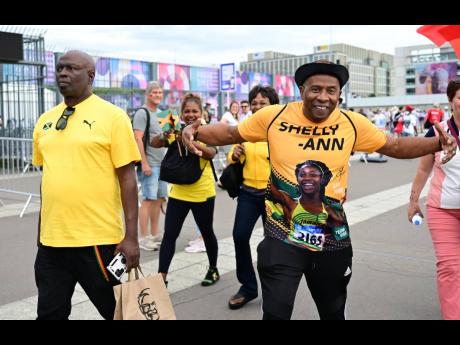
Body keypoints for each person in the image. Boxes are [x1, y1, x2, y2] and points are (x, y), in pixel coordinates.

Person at [182, 60, 457, 320]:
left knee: (333, 313)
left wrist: (437, 143)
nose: (323, 97)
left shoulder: (351, 123)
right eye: (315, 89)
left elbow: (394, 146)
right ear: (302, 90)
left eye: (331, 91)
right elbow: (230, 134)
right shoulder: (274, 116)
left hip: (332, 240)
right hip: (281, 238)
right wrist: (195, 130)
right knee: (275, 313)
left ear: (339, 94)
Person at [32, 50, 141, 320]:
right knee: (49, 314)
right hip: (52, 245)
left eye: (71, 68)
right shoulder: (44, 120)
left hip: (100, 242)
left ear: (90, 75)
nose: (62, 73)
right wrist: (41, 232)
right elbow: (49, 180)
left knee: (120, 314)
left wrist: (131, 237)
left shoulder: (113, 117)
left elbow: (128, 179)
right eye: (59, 68)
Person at [152, 93, 220, 287]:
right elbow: (154, 143)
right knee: (170, 235)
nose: (191, 114)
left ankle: (213, 269)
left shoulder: (208, 130)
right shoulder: (176, 129)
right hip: (179, 192)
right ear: (181, 114)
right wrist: (164, 135)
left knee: (207, 232)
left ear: (202, 112)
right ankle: (161, 277)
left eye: (194, 111)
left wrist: (191, 142)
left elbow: (212, 153)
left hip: (202, 192)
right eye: (187, 111)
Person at [408, 80, 460, 320]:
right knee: (450, 267)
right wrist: (413, 201)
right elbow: (423, 170)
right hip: (443, 209)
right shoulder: (437, 131)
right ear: (451, 100)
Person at [227, 85, 279, 310]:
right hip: (247, 193)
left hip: (273, 195)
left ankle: (274, 289)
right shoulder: (245, 128)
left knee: (273, 245)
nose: (257, 106)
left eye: (262, 103)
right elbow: (232, 155)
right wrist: (234, 154)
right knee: (239, 236)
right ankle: (248, 287)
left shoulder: (280, 130)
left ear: (273, 105)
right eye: (254, 103)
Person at [133, 82, 167, 251]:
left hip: (163, 164)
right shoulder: (142, 112)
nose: (158, 95)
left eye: (160, 92)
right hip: (150, 164)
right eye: (155, 92)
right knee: (148, 199)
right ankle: (143, 237)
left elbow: (169, 138)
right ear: (148, 94)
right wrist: (144, 162)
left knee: (160, 199)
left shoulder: (163, 114)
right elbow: (137, 138)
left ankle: (154, 233)